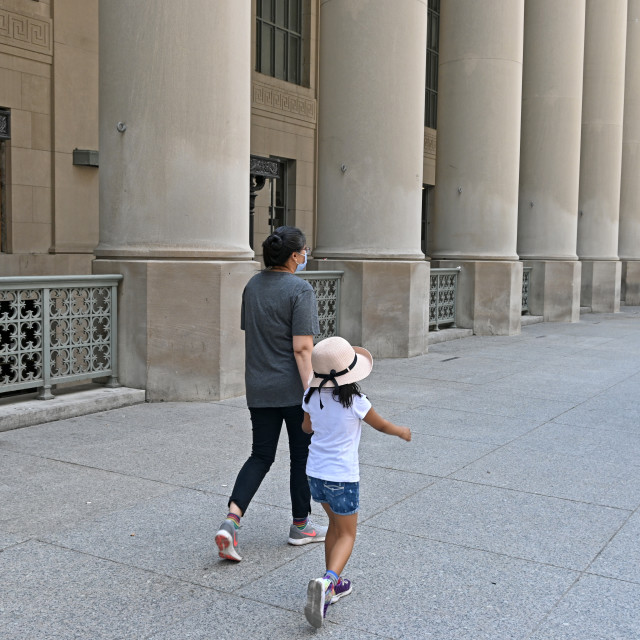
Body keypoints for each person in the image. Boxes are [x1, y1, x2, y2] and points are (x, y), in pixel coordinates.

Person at [215, 226, 327, 562]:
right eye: (304, 251)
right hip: (294, 389)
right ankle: (301, 526)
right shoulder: (300, 290)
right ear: (295, 256)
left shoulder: (252, 286)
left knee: (260, 455)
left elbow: (255, 333)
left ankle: (231, 522)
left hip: (259, 386)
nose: (306, 256)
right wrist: (312, 394)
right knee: (301, 455)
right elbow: (303, 348)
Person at [301, 336, 411, 628]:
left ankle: (331, 589)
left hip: (315, 474)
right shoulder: (357, 402)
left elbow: (306, 427)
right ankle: (327, 582)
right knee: (348, 534)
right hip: (343, 478)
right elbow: (381, 425)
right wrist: (401, 431)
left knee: (334, 528)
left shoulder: (310, 397)